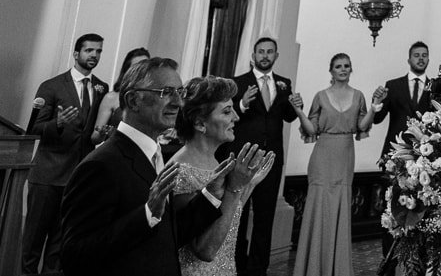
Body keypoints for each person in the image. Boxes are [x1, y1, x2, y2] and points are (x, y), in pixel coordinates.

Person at [57, 56, 268, 276]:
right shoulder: (101, 165)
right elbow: (74, 256)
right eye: (166, 92)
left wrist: (211, 194)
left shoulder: (156, 155)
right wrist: (147, 214)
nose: (178, 102)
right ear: (133, 101)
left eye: (180, 92)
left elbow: (170, 236)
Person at [171, 76, 276, 275]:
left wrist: (248, 184)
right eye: (227, 111)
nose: (236, 117)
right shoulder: (181, 172)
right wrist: (234, 188)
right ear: (200, 123)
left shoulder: (214, 163)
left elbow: (228, 215)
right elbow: (205, 250)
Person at [23, 33, 109, 275]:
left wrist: (103, 134)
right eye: (89, 50)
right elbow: (34, 129)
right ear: (76, 53)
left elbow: (93, 130)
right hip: (47, 175)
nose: (94, 55)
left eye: (99, 51)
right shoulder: (51, 86)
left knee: (59, 246)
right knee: (33, 241)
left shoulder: (102, 88)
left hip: (76, 177)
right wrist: (57, 123)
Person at [291, 53, 372, 276]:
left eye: (346, 66)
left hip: (345, 157)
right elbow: (311, 130)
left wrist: (374, 108)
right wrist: (298, 111)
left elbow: (362, 126)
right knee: (318, 208)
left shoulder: (359, 96)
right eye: (338, 66)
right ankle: (312, 268)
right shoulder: (320, 96)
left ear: (351, 69)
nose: (343, 69)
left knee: (341, 206)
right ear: (331, 71)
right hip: (322, 157)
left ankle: (337, 269)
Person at [229, 36, 302, 276]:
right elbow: (229, 116)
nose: (265, 55)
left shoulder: (284, 83)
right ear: (253, 55)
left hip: (271, 160)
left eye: (269, 52)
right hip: (244, 159)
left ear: (276, 56)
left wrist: (297, 106)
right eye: (261, 51)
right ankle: (236, 264)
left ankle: (258, 268)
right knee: (238, 214)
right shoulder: (239, 83)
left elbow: (288, 117)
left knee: (265, 215)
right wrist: (242, 104)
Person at [372, 40, 436, 272]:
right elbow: (377, 119)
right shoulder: (394, 85)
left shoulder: (435, 87)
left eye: (424, 55)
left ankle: (418, 265)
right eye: (416, 55)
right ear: (409, 59)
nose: (420, 58)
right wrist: (376, 103)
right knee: (391, 210)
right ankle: (389, 264)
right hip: (394, 159)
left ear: (428, 59)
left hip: (424, 159)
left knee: (422, 211)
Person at [92, 46, 151, 145]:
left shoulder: (153, 97)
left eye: (145, 67)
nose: (141, 71)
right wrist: (103, 133)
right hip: (115, 150)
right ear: (127, 70)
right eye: (137, 67)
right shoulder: (112, 98)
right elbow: (95, 137)